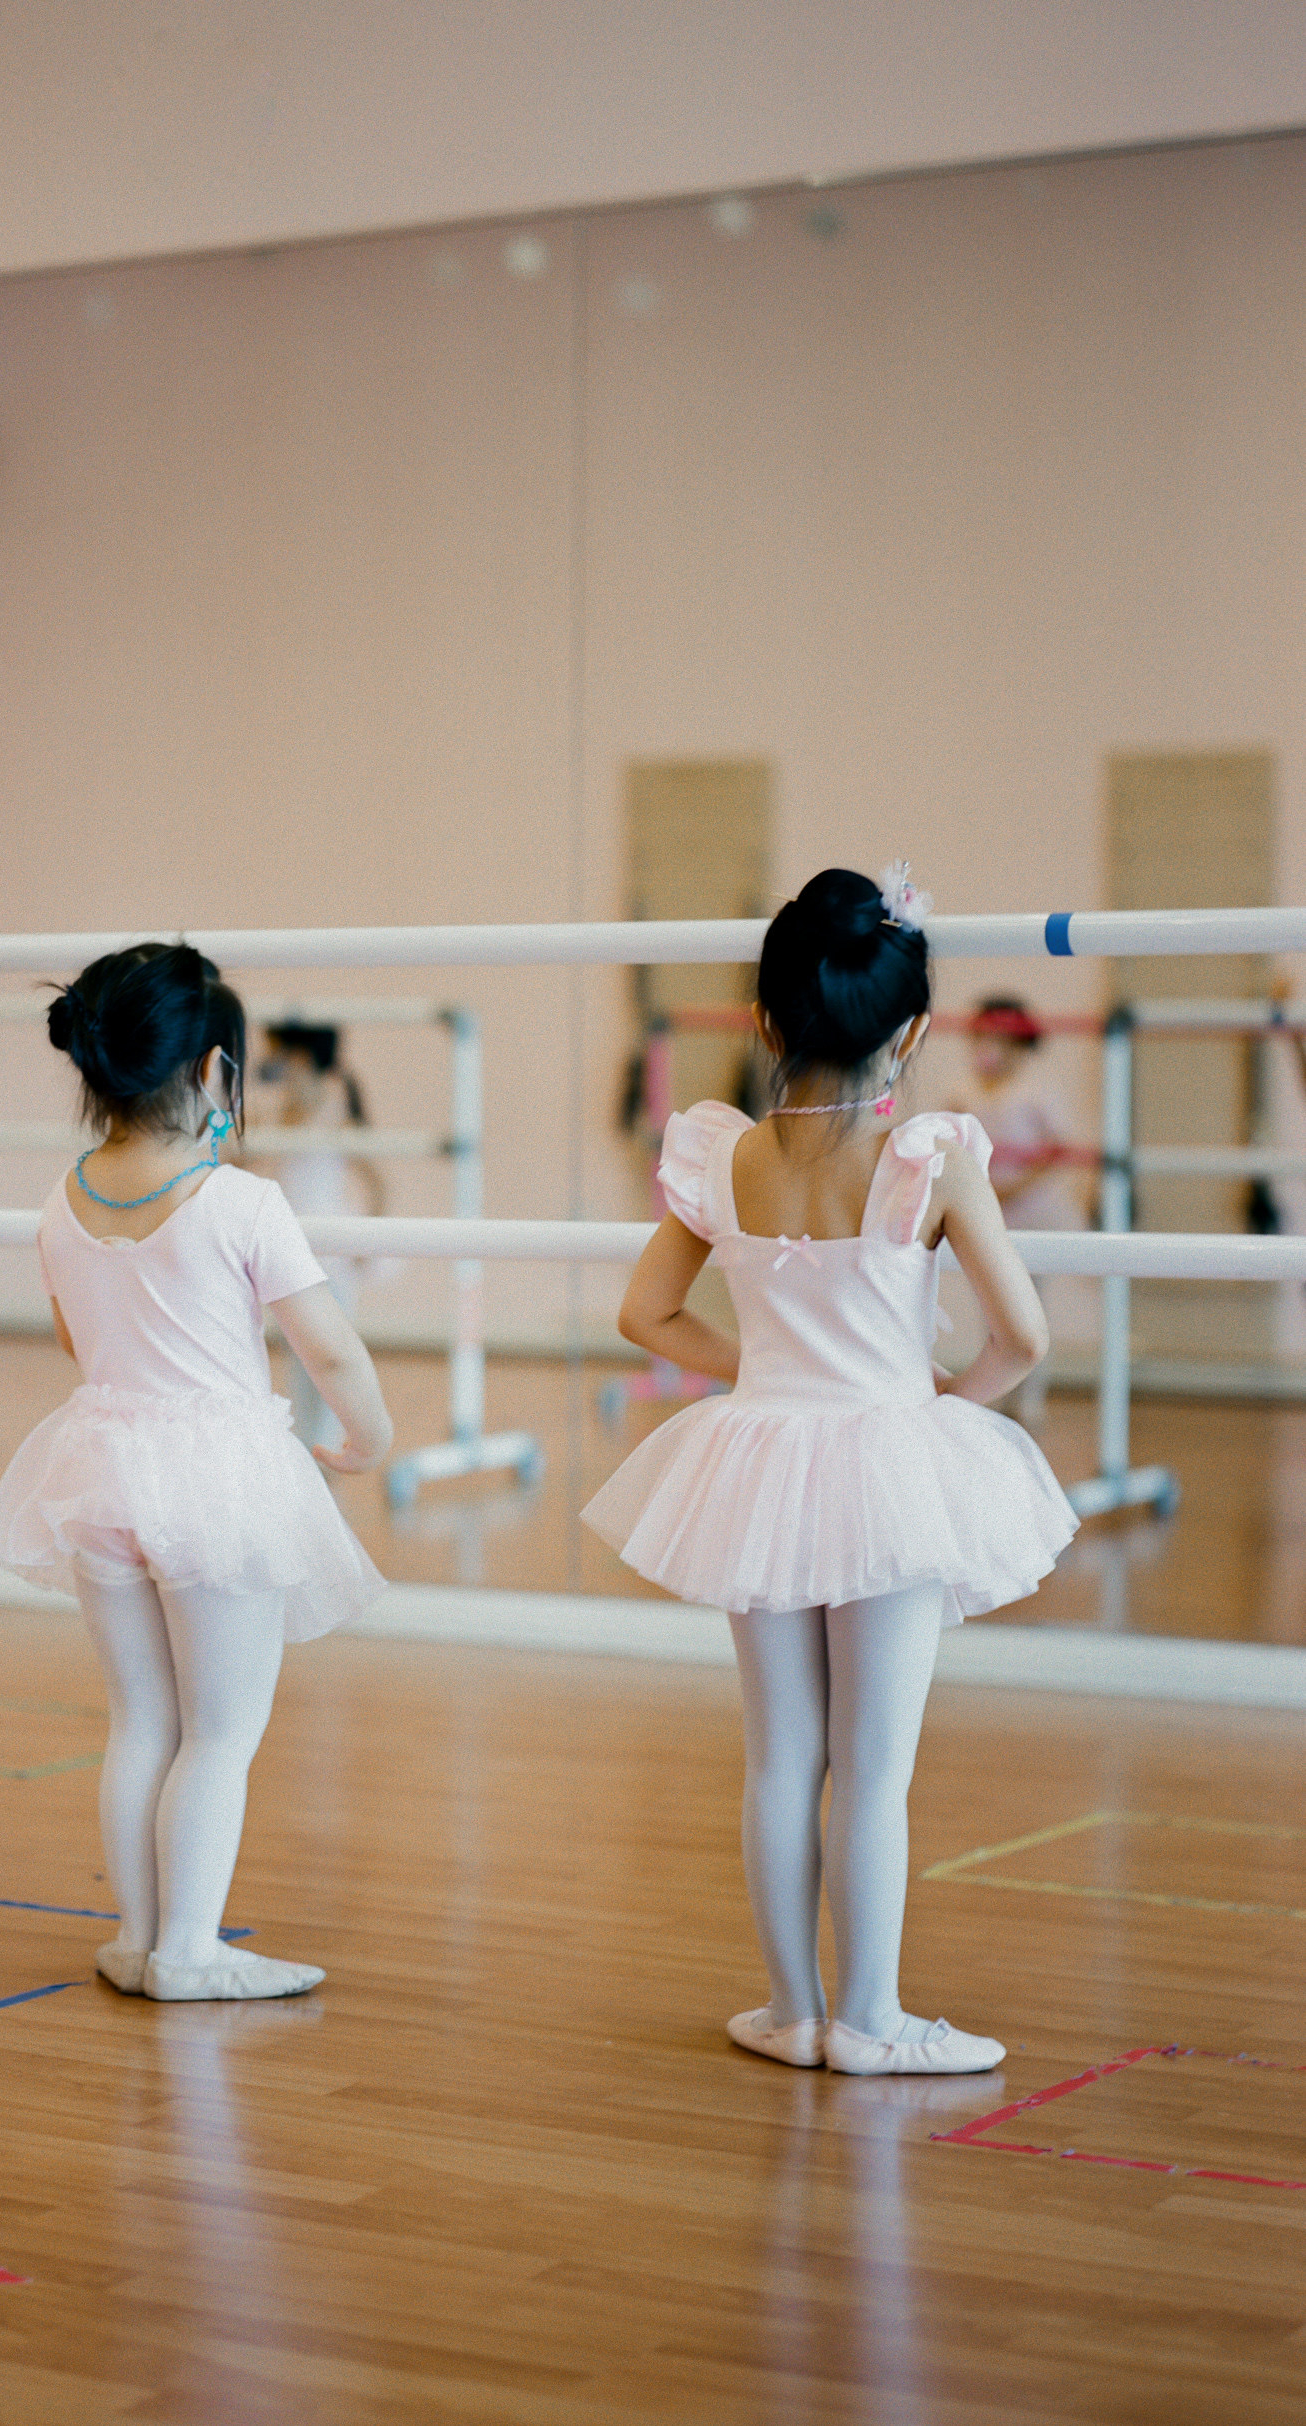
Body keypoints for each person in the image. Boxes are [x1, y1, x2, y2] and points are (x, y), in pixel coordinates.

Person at [582, 867, 1077, 2076]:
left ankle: (792, 2009)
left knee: (778, 1755)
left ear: (761, 1020)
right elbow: (1020, 1338)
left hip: (759, 1453)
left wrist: (752, 1362)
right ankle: (870, 2019)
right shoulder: (929, 1154)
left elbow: (645, 1311)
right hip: (885, 1453)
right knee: (871, 1765)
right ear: (909, 1032)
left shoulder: (723, 1153)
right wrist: (938, 1412)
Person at [0, 943, 392, 2002]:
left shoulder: (58, 1201)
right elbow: (329, 1347)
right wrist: (370, 1436)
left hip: (103, 1464)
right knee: (220, 1728)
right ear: (215, 1071)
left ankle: (141, 1933)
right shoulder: (240, 1204)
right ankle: (190, 1948)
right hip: (216, 1476)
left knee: (139, 1720)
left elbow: (80, 1339)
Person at [254, 1020, 385, 1449]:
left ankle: (327, 1442)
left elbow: (377, 1183)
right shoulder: (274, 1114)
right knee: (300, 1353)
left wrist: (369, 1242)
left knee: (328, 1351)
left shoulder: (336, 1116)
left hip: (329, 1251)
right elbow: (238, 1164)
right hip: (289, 1248)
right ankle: (306, 1444)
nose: (269, 1068)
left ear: (300, 1060)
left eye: (276, 1057)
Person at [960, 996, 1088, 1423]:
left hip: (1033, 1211)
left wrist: (1017, 1187)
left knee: (1030, 1305)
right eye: (979, 1037)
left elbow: (1060, 1149)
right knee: (990, 1302)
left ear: (1017, 1043)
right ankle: (993, 1392)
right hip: (988, 1211)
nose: (986, 1046)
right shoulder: (965, 1090)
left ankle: (1030, 1397)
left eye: (995, 1037)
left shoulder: (1036, 1090)